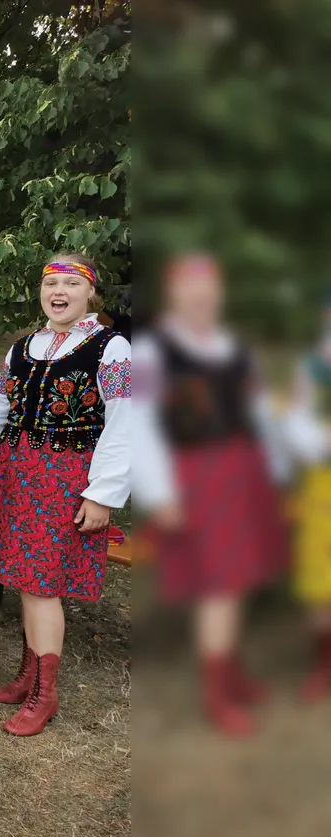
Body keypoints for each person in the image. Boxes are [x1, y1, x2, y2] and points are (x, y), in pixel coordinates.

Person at [0, 255, 133, 736]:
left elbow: (126, 422)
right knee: (24, 576)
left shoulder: (112, 346)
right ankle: (28, 674)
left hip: (66, 476)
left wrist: (102, 493)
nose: (58, 291)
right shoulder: (23, 346)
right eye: (50, 283)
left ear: (90, 293)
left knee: (42, 584)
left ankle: (45, 693)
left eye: (70, 283)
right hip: (15, 471)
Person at [134, 253, 289, 736]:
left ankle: (232, 672)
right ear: (173, 292)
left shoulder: (234, 346)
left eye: (208, 286)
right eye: (189, 286)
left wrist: (276, 476)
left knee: (239, 580)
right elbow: (140, 427)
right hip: (194, 477)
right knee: (218, 587)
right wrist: (160, 492)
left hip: (243, 473)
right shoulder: (151, 352)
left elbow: (259, 414)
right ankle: (216, 690)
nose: (200, 295)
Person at [286, 297, 331, 701]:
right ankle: (325, 661)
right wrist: (320, 441)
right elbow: (297, 421)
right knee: (320, 578)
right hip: (324, 480)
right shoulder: (314, 366)